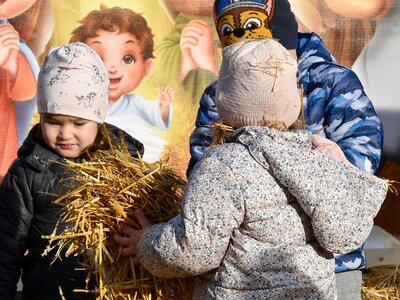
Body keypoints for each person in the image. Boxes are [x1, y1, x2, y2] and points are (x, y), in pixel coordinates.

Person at [114, 38, 388, 299]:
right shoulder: (319, 157)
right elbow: (346, 233)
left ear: (223, 103)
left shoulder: (222, 166)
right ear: (293, 104)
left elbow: (194, 251)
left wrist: (147, 243)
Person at [187, 1, 383, 298]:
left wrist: (293, 173)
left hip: (330, 264)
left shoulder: (332, 83)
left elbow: (363, 161)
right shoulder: (220, 95)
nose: (257, 68)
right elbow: (201, 173)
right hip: (246, 271)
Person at [0, 43, 144, 299]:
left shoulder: (125, 163)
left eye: (78, 123)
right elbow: (5, 249)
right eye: (53, 122)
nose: (65, 134)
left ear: (98, 118)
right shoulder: (27, 173)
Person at [70, 6, 175, 163]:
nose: (112, 69)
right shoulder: (83, 105)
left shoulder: (135, 103)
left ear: (147, 66)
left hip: (139, 160)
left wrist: (164, 107)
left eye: (127, 59)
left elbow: (156, 116)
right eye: (98, 59)